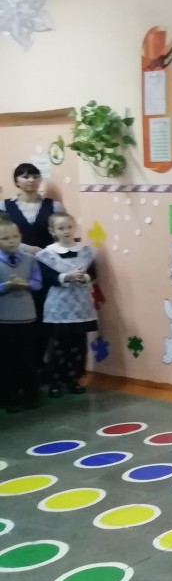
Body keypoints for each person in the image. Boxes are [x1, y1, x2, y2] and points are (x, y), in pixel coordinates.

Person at [4, 163, 64, 373]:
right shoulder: (5, 206)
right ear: (16, 181)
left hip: (47, 267)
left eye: (35, 176)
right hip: (16, 265)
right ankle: (18, 368)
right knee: (19, 316)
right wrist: (25, 247)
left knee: (44, 315)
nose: (31, 180)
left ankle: (39, 365)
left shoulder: (53, 206)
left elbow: (61, 234)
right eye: (25, 176)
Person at [36, 213, 98, 397]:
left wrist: (84, 277)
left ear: (74, 228)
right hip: (59, 307)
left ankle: (74, 379)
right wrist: (65, 277)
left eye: (69, 227)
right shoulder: (47, 254)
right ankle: (55, 380)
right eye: (61, 228)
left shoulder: (86, 251)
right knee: (59, 344)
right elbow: (46, 278)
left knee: (78, 344)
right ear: (52, 231)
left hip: (81, 305)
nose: (66, 231)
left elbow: (93, 273)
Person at [0, 216, 43, 412]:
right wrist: (7, 286)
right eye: (5, 238)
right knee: (6, 361)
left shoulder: (30, 259)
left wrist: (27, 285)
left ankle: (31, 395)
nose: (11, 241)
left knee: (28, 358)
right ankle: (10, 399)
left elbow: (38, 283)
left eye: (15, 236)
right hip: (3, 319)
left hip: (27, 317)